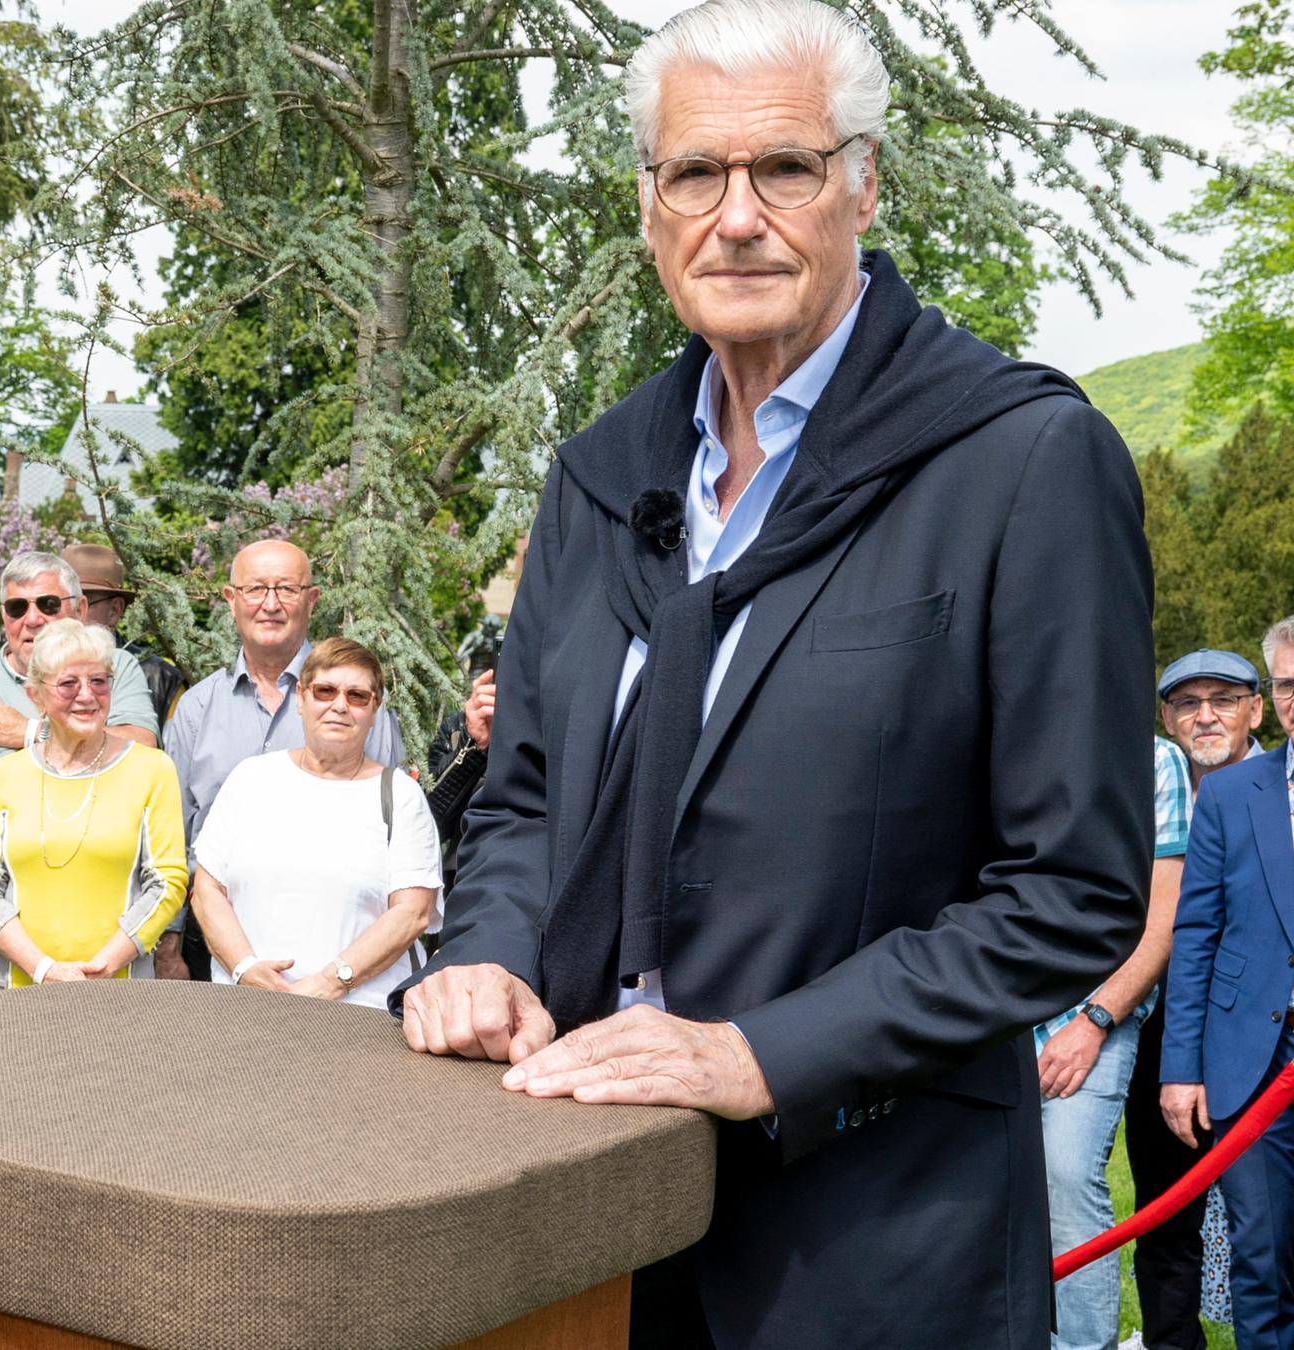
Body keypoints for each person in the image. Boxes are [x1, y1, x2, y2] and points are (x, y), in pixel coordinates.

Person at [394, 4, 1151, 1347]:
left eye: (783, 169)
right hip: (584, 1216)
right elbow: (523, 799)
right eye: (695, 173)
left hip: (867, 1240)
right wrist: (490, 956)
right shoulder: (598, 475)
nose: (735, 217)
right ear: (648, 206)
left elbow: (1072, 888)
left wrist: (754, 1056)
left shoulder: (1021, 463)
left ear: (861, 182)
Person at [167, 538, 402, 980]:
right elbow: (172, 839)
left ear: (311, 601)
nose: (270, 604)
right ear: (231, 600)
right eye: (256, 589)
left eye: (286, 590)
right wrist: (169, 943)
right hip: (214, 948)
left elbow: (392, 833)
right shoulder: (197, 710)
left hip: (339, 950)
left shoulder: (355, 705)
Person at [1040, 724, 1197, 1350]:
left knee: (1068, 1175)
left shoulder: (1154, 759)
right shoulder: (995, 741)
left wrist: (1096, 1019)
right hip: (996, 1006)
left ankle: (1086, 1346)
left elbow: (1164, 919)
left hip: (1092, 1010)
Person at [1162, 618, 1294, 1350]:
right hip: (1254, 1060)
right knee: (1260, 1256)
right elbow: (1197, 936)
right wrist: (1182, 1068)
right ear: (1271, 697)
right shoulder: (1232, 793)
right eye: (1286, 685)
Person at [1134, 648, 1268, 1349]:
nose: (1206, 715)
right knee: (1164, 1214)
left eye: (1223, 698)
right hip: (1164, 1030)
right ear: (1166, 716)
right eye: (1188, 702)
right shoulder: (1145, 791)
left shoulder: (1283, 790)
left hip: (1263, 1032)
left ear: (1257, 705)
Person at [190, 637, 441, 1008]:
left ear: (375, 710)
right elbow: (208, 888)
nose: (340, 705)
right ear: (300, 699)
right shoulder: (251, 779)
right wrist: (244, 968)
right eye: (325, 691)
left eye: (357, 696)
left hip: (357, 1020)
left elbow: (413, 912)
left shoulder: (400, 797)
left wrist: (328, 985)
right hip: (243, 1007)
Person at [0, 551, 160, 959]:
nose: (32, 620)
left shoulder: (119, 666)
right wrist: (88, 746)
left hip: (111, 932)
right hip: (6, 928)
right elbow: (1, 779)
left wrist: (27, 731)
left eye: (47, 604)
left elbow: (140, 747)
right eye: (16, 607)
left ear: (80, 609)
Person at [0, 619, 186, 987]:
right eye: (69, 683)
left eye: (99, 681)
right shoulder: (2, 776)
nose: (87, 695)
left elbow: (167, 883)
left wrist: (105, 965)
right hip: (20, 988)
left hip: (119, 984)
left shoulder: (153, 769)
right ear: (37, 696)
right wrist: (43, 968)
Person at [62, 541, 187, 737]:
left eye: (83, 603)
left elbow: (176, 757)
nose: (68, 613)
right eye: (60, 602)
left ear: (116, 610)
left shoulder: (160, 678)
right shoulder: (38, 666)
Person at [424, 616, 503, 878]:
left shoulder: (562, 728)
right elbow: (430, 822)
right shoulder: (459, 728)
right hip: (465, 882)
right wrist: (476, 744)